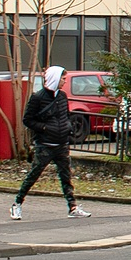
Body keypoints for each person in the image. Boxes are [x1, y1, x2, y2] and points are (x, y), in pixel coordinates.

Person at [12, 66, 90, 219]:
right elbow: (27, 120)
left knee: (66, 176)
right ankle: (17, 203)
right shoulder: (38, 98)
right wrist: (45, 127)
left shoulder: (62, 96)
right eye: (62, 79)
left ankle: (72, 207)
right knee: (34, 175)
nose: (64, 82)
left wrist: (67, 127)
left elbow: (65, 115)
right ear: (55, 78)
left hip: (61, 144)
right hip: (45, 145)